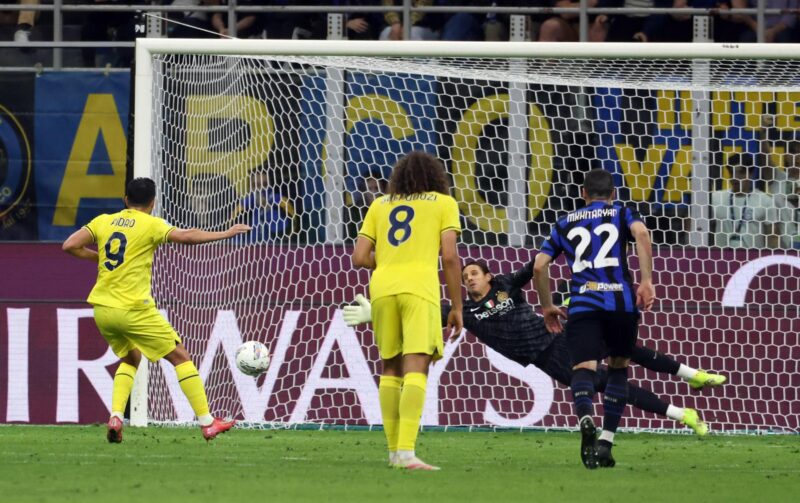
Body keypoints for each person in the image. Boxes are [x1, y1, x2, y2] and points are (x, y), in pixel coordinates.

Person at [344, 260, 725, 435]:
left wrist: (559, 244)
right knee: (610, 384)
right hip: (549, 357)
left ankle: (692, 376)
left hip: (562, 332)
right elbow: (421, 313)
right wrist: (375, 314)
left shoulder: (507, 284)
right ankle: (682, 414)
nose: (469, 281)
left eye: (473, 275)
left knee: (626, 350)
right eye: (464, 278)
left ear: (489, 276)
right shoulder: (464, 311)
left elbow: (537, 264)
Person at [62, 177, 250, 443]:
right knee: (180, 357)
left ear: (125, 199)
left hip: (103, 309)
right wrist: (226, 233)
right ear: (153, 203)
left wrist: (99, 257)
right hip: (134, 309)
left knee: (131, 358)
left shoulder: (103, 221)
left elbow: (69, 245)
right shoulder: (151, 223)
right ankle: (208, 422)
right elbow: (186, 237)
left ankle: (116, 415)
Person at [533, 168, 656, 469]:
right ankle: (606, 443)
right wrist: (646, 280)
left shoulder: (564, 223)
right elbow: (641, 233)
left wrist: (548, 305)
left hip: (584, 303)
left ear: (583, 194)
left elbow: (539, 266)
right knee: (617, 368)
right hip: (621, 303)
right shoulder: (623, 211)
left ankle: (585, 416)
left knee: (584, 369)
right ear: (613, 194)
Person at [351, 151, 463, 471]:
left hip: (382, 289)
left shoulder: (379, 204)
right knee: (416, 365)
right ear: (435, 177)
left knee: (390, 368)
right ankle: (407, 453)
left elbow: (359, 257)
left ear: (397, 177)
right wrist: (456, 306)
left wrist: (387, 263)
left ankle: (393, 452)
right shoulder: (443, 203)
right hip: (419, 288)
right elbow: (450, 257)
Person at [710, 153, 784, 249]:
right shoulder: (715, 198)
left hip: (753, 261)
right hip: (722, 260)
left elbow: (772, 237)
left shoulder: (765, 201)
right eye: (732, 173)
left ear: (750, 174)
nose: (735, 177)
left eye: (741, 172)